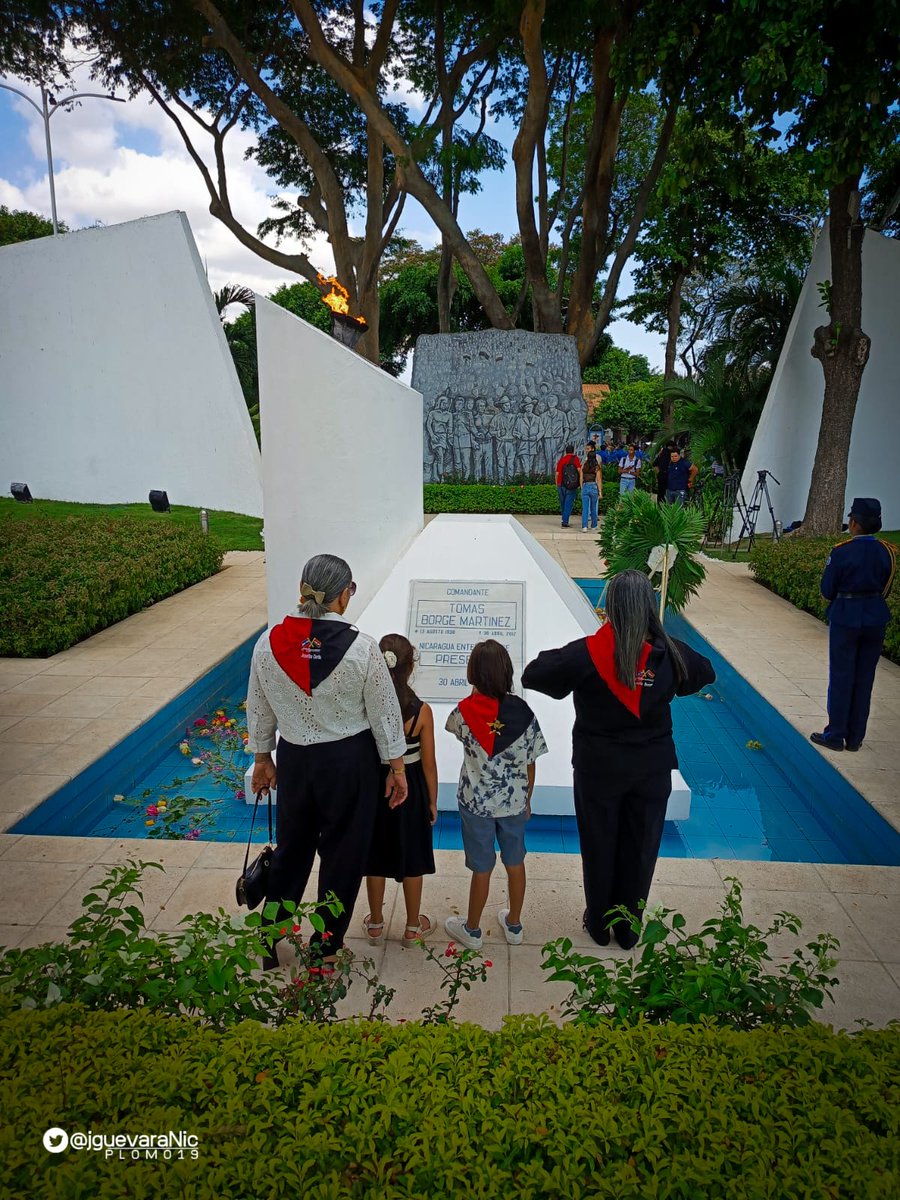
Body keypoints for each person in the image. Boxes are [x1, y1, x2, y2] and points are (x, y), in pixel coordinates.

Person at [522, 570, 715, 949]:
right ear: (647, 606)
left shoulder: (587, 654)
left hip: (599, 769)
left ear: (610, 607)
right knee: (641, 847)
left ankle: (598, 924)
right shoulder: (671, 653)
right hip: (651, 768)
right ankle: (628, 929)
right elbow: (705, 673)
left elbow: (534, 675)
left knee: (599, 844)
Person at [247, 554, 409, 969]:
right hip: (347, 764)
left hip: (296, 759)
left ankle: (271, 937)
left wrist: (263, 757)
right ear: (342, 595)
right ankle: (323, 950)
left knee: (291, 852)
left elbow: (260, 708)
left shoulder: (268, 643)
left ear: (302, 591)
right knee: (342, 857)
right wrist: (396, 769)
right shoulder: (361, 649)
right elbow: (385, 714)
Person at [444, 640, 548, 949]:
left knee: (482, 867)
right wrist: (527, 799)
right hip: (514, 803)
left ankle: (472, 930)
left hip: (476, 804)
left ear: (473, 673)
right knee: (515, 862)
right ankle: (514, 925)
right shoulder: (524, 712)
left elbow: (455, 729)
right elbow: (531, 763)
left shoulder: (463, 712)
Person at [364, 634, 438, 946]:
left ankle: (376, 924)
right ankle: (411, 927)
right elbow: (429, 764)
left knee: (376, 853)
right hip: (412, 788)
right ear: (410, 667)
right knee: (413, 855)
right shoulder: (421, 712)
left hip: (377, 787)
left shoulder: (367, 706)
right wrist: (432, 802)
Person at [810, 498, 897, 753]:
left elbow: (828, 590)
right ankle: (856, 737)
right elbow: (886, 587)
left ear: (854, 523)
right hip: (874, 617)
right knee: (864, 677)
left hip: (846, 616)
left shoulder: (842, 551)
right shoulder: (887, 551)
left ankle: (836, 734)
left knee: (841, 676)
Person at [556, 443, 581, 528]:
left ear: (566, 451)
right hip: (572, 484)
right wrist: (580, 482)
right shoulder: (575, 459)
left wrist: (557, 483)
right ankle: (565, 521)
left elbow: (557, 473)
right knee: (568, 503)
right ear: (573, 451)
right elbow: (579, 470)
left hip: (561, 484)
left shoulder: (561, 460)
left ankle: (564, 518)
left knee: (563, 503)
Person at [581, 445, 601, 532]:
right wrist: (600, 491)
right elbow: (598, 479)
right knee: (593, 508)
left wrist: (582, 487)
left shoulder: (584, 466)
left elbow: (581, 478)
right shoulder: (597, 467)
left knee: (585, 508)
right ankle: (594, 525)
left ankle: (584, 526)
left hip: (585, 486)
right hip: (593, 486)